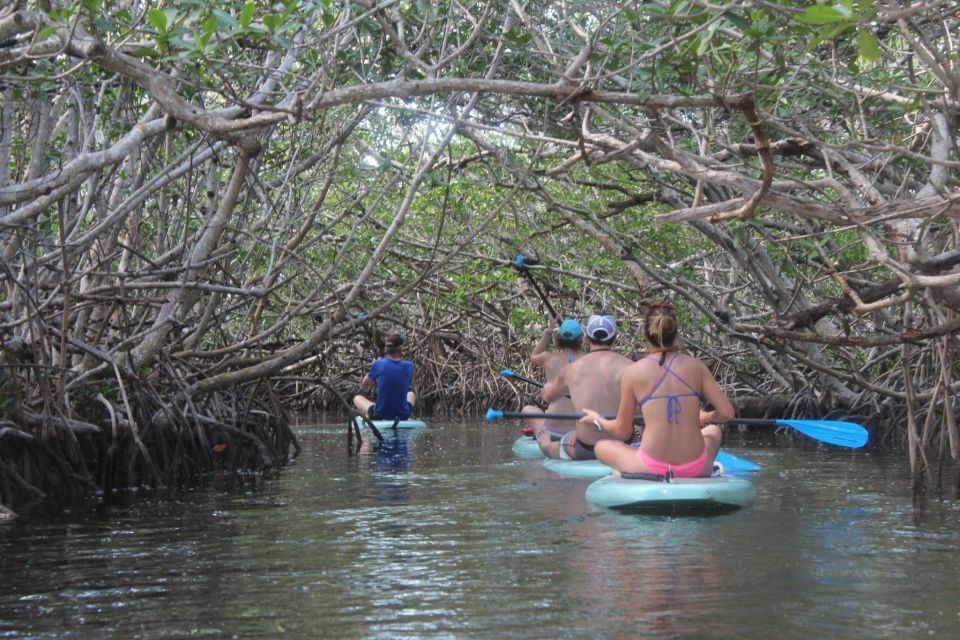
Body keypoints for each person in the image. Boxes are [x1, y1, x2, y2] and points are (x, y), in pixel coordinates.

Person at [580, 303, 734, 478]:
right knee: (713, 431)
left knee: (601, 446)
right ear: (676, 334)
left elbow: (622, 430)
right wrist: (706, 417)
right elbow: (727, 413)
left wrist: (597, 420)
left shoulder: (634, 372)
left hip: (651, 467)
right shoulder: (697, 366)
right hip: (695, 467)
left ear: (644, 334)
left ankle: (629, 470)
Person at [537, 313, 634, 459]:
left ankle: (545, 446)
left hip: (585, 449)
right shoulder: (631, 367)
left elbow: (548, 397)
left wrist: (546, 388)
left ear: (587, 338)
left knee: (548, 446)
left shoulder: (572, 369)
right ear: (615, 338)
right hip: (623, 444)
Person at [519, 316, 583, 439]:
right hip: (578, 429)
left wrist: (549, 329)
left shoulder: (547, 357)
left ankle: (540, 433)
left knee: (527, 409)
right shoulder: (588, 360)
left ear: (558, 339)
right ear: (580, 340)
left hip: (554, 429)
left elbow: (533, 355)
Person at [353, 334, 416, 420]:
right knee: (411, 394)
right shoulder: (409, 366)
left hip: (380, 415)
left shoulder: (378, 364)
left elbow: (363, 385)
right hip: (403, 415)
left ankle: (374, 412)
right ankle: (399, 412)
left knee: (357, 398)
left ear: (387, 350)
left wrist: (373, 367)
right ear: (401, 348)